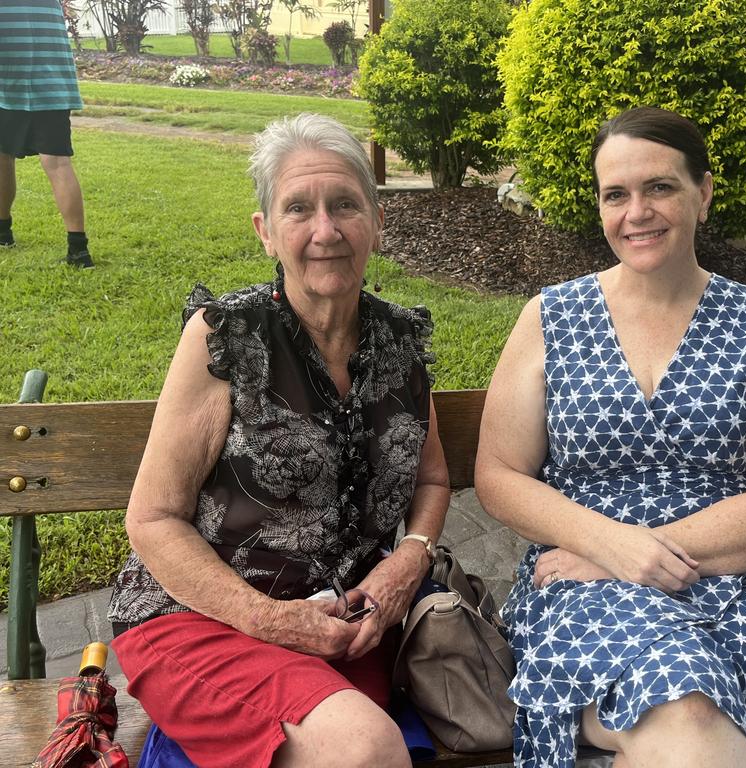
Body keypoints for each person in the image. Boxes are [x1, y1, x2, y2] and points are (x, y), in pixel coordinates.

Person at [475, 107, 746, 768]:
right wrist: (608, 549)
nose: (636, 211)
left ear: (703, 193)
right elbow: (500, 474)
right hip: (586, 589)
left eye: (660, 188)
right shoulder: (550, 317)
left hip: (744, 581)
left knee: (695, 717)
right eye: (615, 194)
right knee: (686, 710)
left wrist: (645, 552)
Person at [107, 113, 449, 768]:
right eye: (299, 208)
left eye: (345, 204)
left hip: (344, 629)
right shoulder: (229, 338)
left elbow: (432, 481)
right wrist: (269, 621)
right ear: (267, 231)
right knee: (366, 747)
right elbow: (151, 519)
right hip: (201, 620)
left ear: (377, 222)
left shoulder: (400, 343)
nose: (326, 230)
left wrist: (408, 561)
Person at [0, 0, 94, 267]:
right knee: (56, 162)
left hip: (8, 84)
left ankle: (2, 232)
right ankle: (78, 251)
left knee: (2, 156)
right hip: (53, 82)